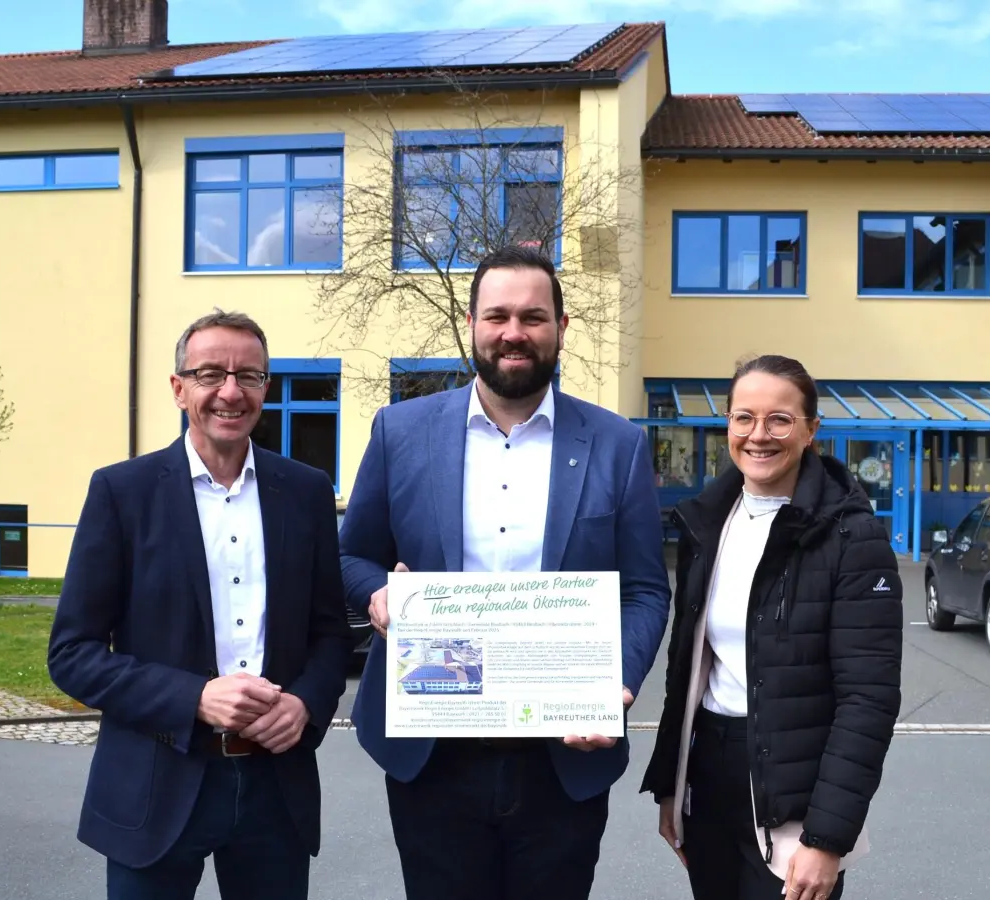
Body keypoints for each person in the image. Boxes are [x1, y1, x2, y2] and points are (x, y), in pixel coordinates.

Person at [338, 244, 672, 899]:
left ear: (561, 327)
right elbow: (351, 555)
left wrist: (619, 683)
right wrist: (379, 593)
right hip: (433, 753)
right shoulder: (399, 432)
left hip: (559, 760)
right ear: (471, 324)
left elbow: (644, 590)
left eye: (532, 317)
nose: (513, 332)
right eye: (497, 316)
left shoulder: (617, 445)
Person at [47, 309, 352, 900]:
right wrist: (196, 698)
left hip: (274, 785)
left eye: (251, 376)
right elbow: (73, 654)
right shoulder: (122, 492)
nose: (231, 392)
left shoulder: (307, 491)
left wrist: (307, 705)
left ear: (267, 388)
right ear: (179, 388)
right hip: (157, 781)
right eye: (211, 373)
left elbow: (330, 633)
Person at [640, 354, 904, 900]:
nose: (759, 435)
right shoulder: (707, 524)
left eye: (779, 420)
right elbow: (686, 669)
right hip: (709, 775)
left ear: (811, 430)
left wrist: (827, 838)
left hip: (794, 790)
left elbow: (868, 700)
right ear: (728, 426)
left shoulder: (851, 536)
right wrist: (674, 784)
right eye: (744, 418)